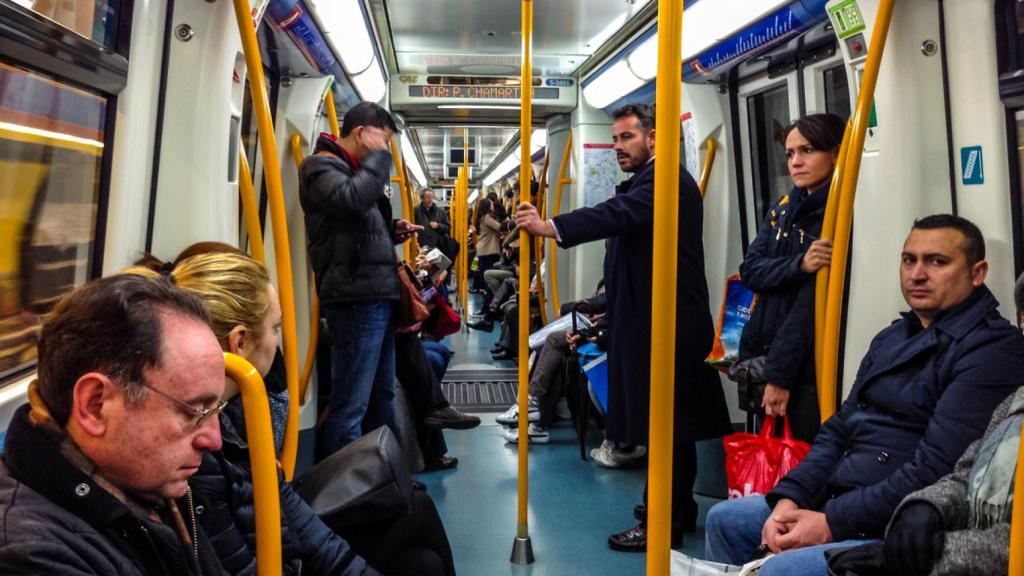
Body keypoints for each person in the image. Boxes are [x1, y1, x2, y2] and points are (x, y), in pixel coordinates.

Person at [703, 215, 1024, 576]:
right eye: (909, 260)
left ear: (977, 273)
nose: (917, 274)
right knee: (725, 520)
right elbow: (838, 430)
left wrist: (831, 522)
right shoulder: (891, 338)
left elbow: (936, 467)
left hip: (898, 518)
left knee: (788, 569)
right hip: (843, 494)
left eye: (937, 262)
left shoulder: (992, 351)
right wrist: (790, 498)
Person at [133, 250, 455, 576]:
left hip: (285, 547)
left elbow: (297, 523)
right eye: (275, 328)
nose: (277, 342)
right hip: (282, 558)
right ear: (240, 342)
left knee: (421, 559)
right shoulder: (201, 450)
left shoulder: (229, 415)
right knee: (420, 526)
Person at [516, 102, 732, 551]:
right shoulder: (648, 182)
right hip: (653, 319)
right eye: (614, 139)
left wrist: (549, 226)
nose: (617, 146)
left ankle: (662, 523)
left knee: (668, 427)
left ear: (653, 138)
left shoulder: (665, 181)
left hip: (670, 326)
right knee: (673, 426)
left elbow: (612, 217)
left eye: (626, 137)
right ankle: (675, 508)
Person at [0, 275, 227, 575]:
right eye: (194, 411)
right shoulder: (32, 557)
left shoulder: (145, 482)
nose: (215, 440)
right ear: (95, 406)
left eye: (215, 410)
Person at [826, 270, 1024, 576]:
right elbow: (966, 474)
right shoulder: (1015, 405)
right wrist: (925, 506)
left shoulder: (987, 350)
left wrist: (931, 553)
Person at [298, 101, 423, 455]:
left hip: (375, 296)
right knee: (351, 405)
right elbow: (351, 201)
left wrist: (392, 229)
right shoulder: (319, 166)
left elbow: (355, 225)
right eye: (383, 138)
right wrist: (380, 161)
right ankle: (345, 493)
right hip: (354, 299)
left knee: (382, 394)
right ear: (360, 132)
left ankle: (384, 474)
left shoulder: (352, 171)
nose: (386, 147)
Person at [735, 113, 845, 443]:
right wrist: (798, 266)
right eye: (790, 153)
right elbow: (751, 270)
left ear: (836, 153)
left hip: (808, 364)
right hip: (769, 350)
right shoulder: (782, 209)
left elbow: (807, 307)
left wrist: (779, 376)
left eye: (807, 151)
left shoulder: (834, 216)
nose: (795, 162)